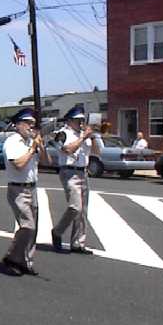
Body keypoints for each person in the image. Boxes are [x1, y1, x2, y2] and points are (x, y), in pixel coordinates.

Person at [1, 108, 51, 276]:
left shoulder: (31, 141)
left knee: (33, 228)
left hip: (32, 188)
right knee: (27, 225)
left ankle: (26, 262)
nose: (31, 127)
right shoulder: (12, 142)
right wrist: (32, 149)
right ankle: (12, 258)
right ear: (17, 125)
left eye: (33, 124)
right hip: (18, 189)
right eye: (28, 123)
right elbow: (19, 164)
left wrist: (40, 147)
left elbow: (47, 162)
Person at [51, 105, 101, 255]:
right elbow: (67, 150)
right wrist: (83, 137)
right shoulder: (62, 133)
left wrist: (93, 138)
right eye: (78, 120)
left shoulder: (84, 135)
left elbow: (97, 153)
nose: (81, 123)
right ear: (70, 120)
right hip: (69, 172)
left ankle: (78, 243)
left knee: (83, 211)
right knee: (75, 207)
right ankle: (57, 232)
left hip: (83, 172)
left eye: (82, 120)